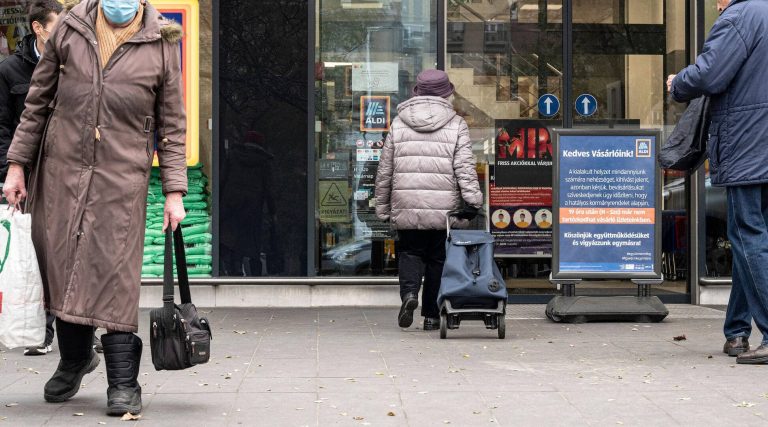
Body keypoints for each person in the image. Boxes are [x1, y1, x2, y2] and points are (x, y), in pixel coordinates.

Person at [2, 0, 187, 415]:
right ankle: (74, 360)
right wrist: (17, 166)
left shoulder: (161, 41)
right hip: (62, 170)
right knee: (64, 263)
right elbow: (36, 104)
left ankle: (124, 381)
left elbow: (172, 124)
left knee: (114, 271)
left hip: (122, 176)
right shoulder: (69, 27)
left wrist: (175, 191)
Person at [667, 0, 768, 364]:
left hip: (750, 144)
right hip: (760, 145)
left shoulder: (740, 16)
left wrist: (678, 82)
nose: (714, 3)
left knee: (747, 236)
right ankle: (737, 332)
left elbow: (711, 74)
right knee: (752, 238)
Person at [375, 69, 482, 331]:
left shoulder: (399, 124)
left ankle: (409, 295)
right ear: (447, 93)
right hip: (443, 208)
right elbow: (465, 167)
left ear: (417, 92)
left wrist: (382, 206)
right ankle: (432, 315)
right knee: (437, 260)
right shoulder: (457, 124)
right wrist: (473, 202)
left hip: (406, 203)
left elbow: (385, 169)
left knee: (410, 253)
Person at [0, 0, 63, 356]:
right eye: (57, 27)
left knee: (70, 251)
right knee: (36, 251)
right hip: (29, 174)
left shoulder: (73, 64)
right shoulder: (10, 70)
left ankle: (81, 330)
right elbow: (2, 126)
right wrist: (10, 171)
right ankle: (42, 329)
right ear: (39, 29)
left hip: (66, 171)